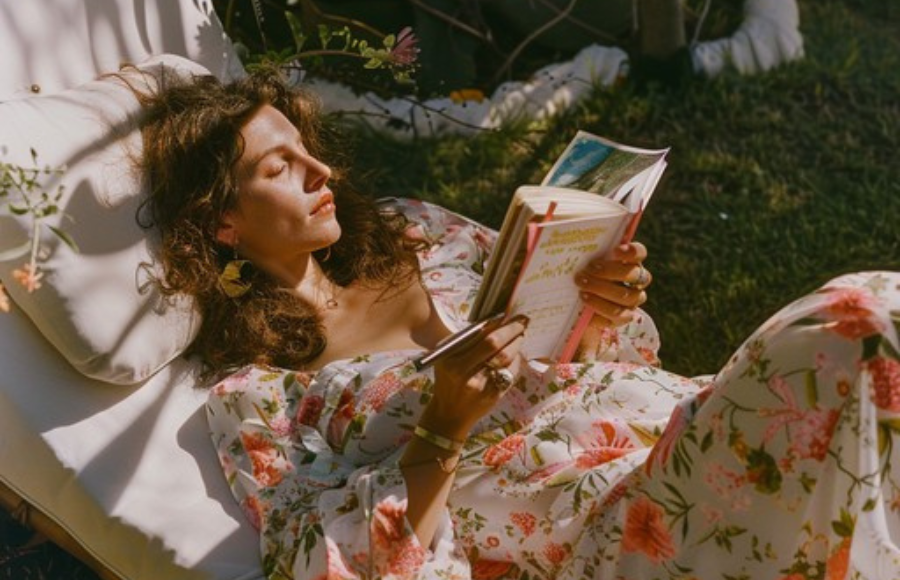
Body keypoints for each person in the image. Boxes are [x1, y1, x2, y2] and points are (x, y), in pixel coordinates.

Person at [137, 67, 900, 580]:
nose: (322, 171)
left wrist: (602, 310)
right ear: (223, 222)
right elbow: (325, 561)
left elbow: (588, 358)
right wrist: (441, 428)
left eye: (309, 149)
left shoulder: (416, 230)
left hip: (674, 425)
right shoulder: (260, 395)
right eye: (279, 168)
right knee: (862, 317)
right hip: (617, 528)